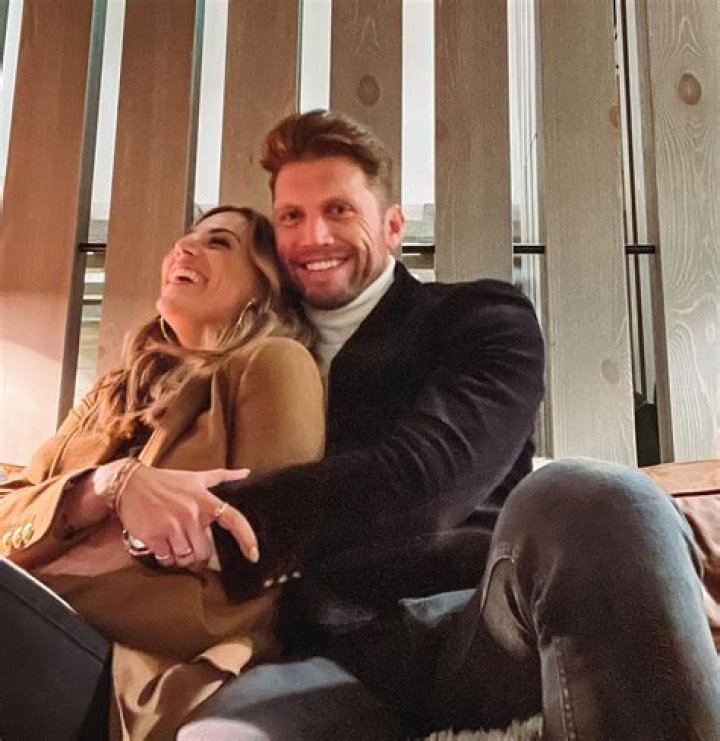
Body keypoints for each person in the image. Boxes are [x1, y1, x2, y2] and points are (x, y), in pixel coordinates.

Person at [176, 111, 720, 740]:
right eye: (292, 217)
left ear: (393, 226)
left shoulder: (481, 317)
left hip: (483, 623)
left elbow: (427, 478)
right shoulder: (251, 357)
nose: (313, 236)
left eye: (339, 210)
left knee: (594, 492)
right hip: (327, 655)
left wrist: (215, 523)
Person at [0, 206, 325, 739]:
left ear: (265, 287)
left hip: (134, 672)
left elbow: (254, 562)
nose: (183, 249)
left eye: (219, 243)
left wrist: (50, 559)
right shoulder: (111, 393)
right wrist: (104, 488)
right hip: (35, 620)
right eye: (186, 238)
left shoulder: (274, 363)